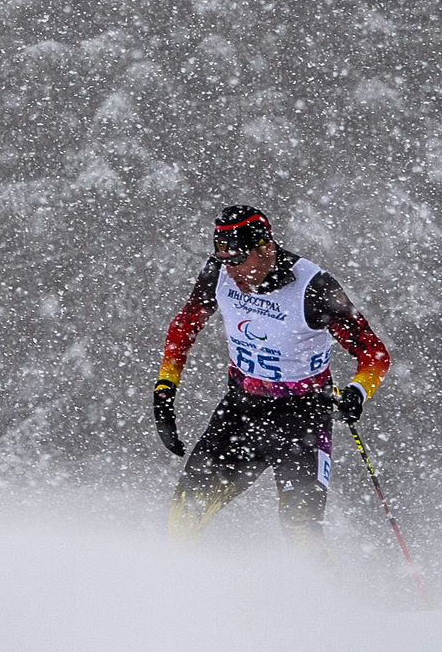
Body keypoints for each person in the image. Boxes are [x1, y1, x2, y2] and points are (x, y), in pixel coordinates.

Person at [153, 205, 392, 547]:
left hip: (304, 418)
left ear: (266, 248)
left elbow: (374, 354)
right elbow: (185, 325)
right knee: (184, 518)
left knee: (301, 531)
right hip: (240, 411)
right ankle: (179, 594)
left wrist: (357, 391)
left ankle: (324, 598)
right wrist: (164, 390)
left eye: (238, 259)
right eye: (223, 260)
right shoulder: (220, 272)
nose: (231, 271)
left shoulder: (315, 289)